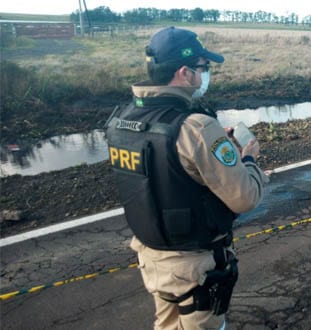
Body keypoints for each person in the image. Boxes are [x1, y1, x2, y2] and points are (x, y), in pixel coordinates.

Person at [105, 26, 269, 330]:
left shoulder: (122, 120)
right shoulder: (197, 128)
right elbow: (245, 197)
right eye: (203, 68)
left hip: (151, 256)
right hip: (193, 266)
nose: (206, 75)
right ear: (184, 72)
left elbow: (168, 172)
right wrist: (248, 160)